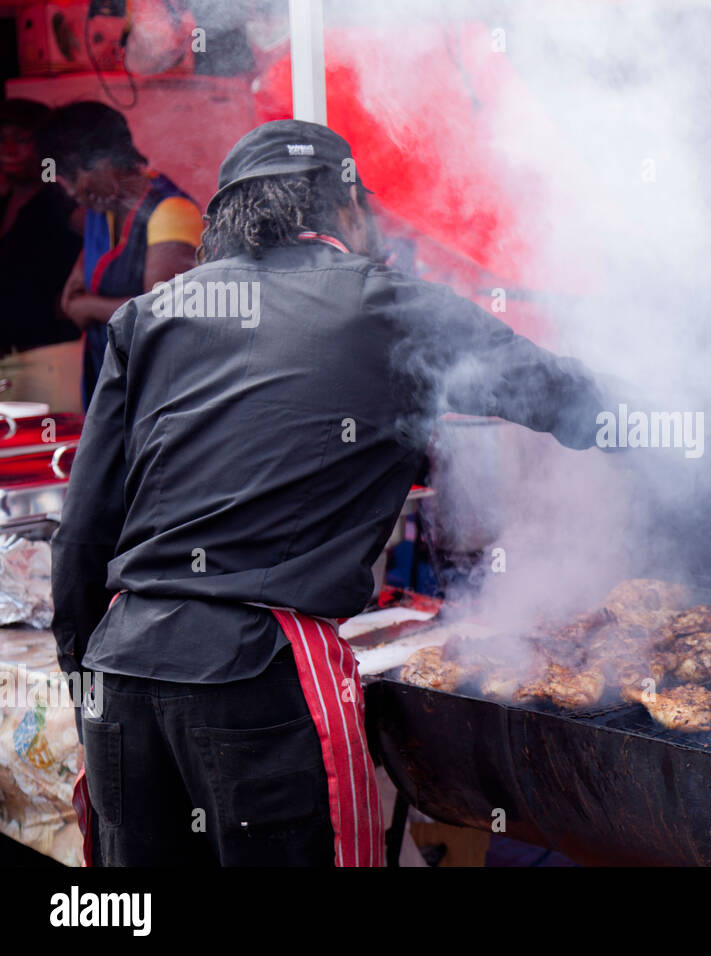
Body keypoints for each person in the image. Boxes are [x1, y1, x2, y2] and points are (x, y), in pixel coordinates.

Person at [51, 120, 610, 866]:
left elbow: (85, 531)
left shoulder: (147, 316)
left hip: (123, 676)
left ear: (227, 220)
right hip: (260, 671)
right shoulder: (390, 305)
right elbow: (565, 399)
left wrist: (86, 669)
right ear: (347, 209)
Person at [40, 101, 202, 407]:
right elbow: (88, 272)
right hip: (112, 386)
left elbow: (164, 312)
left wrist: (89, 306)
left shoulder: (171, 211)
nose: (73, 193)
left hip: (157, 392)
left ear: (103, 161)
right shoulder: (101, 210)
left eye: (73, 178)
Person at [0, 99, 82, 353]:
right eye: (2, 139)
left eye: (22, 139)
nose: (8, 149)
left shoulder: (68, 206)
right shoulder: (5, 204)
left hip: (53, 352)